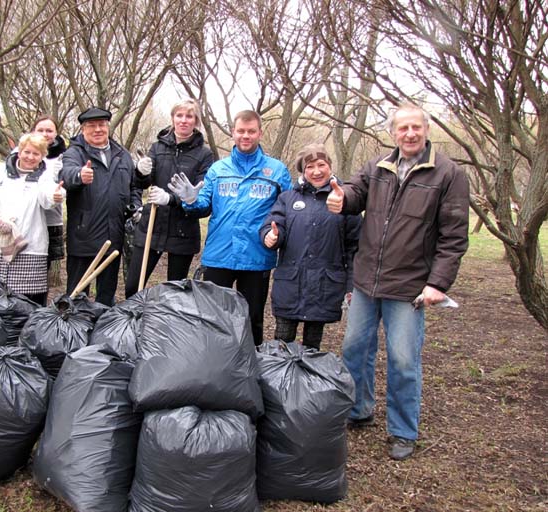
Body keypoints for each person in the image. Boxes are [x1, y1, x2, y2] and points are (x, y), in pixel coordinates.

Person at [326, 102, 469, 460]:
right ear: (392, 133)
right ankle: (358, 410)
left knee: (404, 360)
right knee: (354, 351)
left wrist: (438, 283)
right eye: (402, 128)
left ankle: (403, 430)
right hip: (366, 281)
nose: (409, 134)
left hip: (409, 286)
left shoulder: (448, 174)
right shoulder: (378, 167)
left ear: (426, 130)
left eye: (415, 127)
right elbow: (354, 194)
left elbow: (454, 236)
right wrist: (341, 199)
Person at [168, 110, 292, 345]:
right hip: (219, 256)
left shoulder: (277, 171)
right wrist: (191, 200)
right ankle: (214, 370)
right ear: (233, 133)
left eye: (251, 131)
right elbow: (203, 205)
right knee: (214, 318)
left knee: (252, 318)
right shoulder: (218, 169)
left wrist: (279, 235)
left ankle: (250, 369)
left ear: (259, 133)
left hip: (257, 258)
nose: (246, 136)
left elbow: (287, 213)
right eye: (241, 131)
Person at [260, 144, 361, 350]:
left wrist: (351, 286)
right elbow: (273, 225)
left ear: (330, 166)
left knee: (312, 349)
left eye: (321, 165)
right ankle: (280, 383)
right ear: (303, 171)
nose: (316, 171)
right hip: (290, 283)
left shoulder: (345, 201)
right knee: (282, 345)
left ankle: (308, 381)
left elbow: (355, 247)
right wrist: (270, 237)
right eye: (310, 167)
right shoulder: (288, 198)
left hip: (325, 285)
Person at [124, 99, 214, 298]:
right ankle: (137, 324)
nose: (183, 120)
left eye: (189, 116)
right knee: (133, 287)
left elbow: (202, 198)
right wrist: (140, 172)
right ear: (172, 119)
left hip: (183, 229)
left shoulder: (204, 155)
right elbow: (142, 183)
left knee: (175, 294)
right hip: (152, 225)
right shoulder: (157, 147)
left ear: (196, 121)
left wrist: (172, 199)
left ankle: (168, 327)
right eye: (179, 115)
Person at [60, 107, 144, 306]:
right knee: (76, 295)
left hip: (113, 236)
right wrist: (79, 175)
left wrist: (135, 205)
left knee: (106, 296)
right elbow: (66, 174)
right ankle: (74, 333)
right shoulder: (75, 152)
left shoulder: (121, 154)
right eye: (91, 126)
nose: (97, 130)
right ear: (83, 129)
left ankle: (103, 332)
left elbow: (134, 186)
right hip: (84, 236)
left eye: (101, 125)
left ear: (108, 127)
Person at [0, 133, 64, 306]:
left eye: (36, 154)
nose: (30, 157)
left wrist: (57, 196)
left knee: (26, 303)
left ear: (42, 156)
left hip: (30, 249)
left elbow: (48, 197)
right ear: (19, 151)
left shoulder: (44, 177)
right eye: (27, 152)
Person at [31, 115, 68, 287]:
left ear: (56, 133)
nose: (45, 134)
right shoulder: (24, 154)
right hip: (26, 220)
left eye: (49, 130)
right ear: (33, 131)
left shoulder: (64, 157)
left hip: (50, 220)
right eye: (41, 130)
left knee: (41, 274)